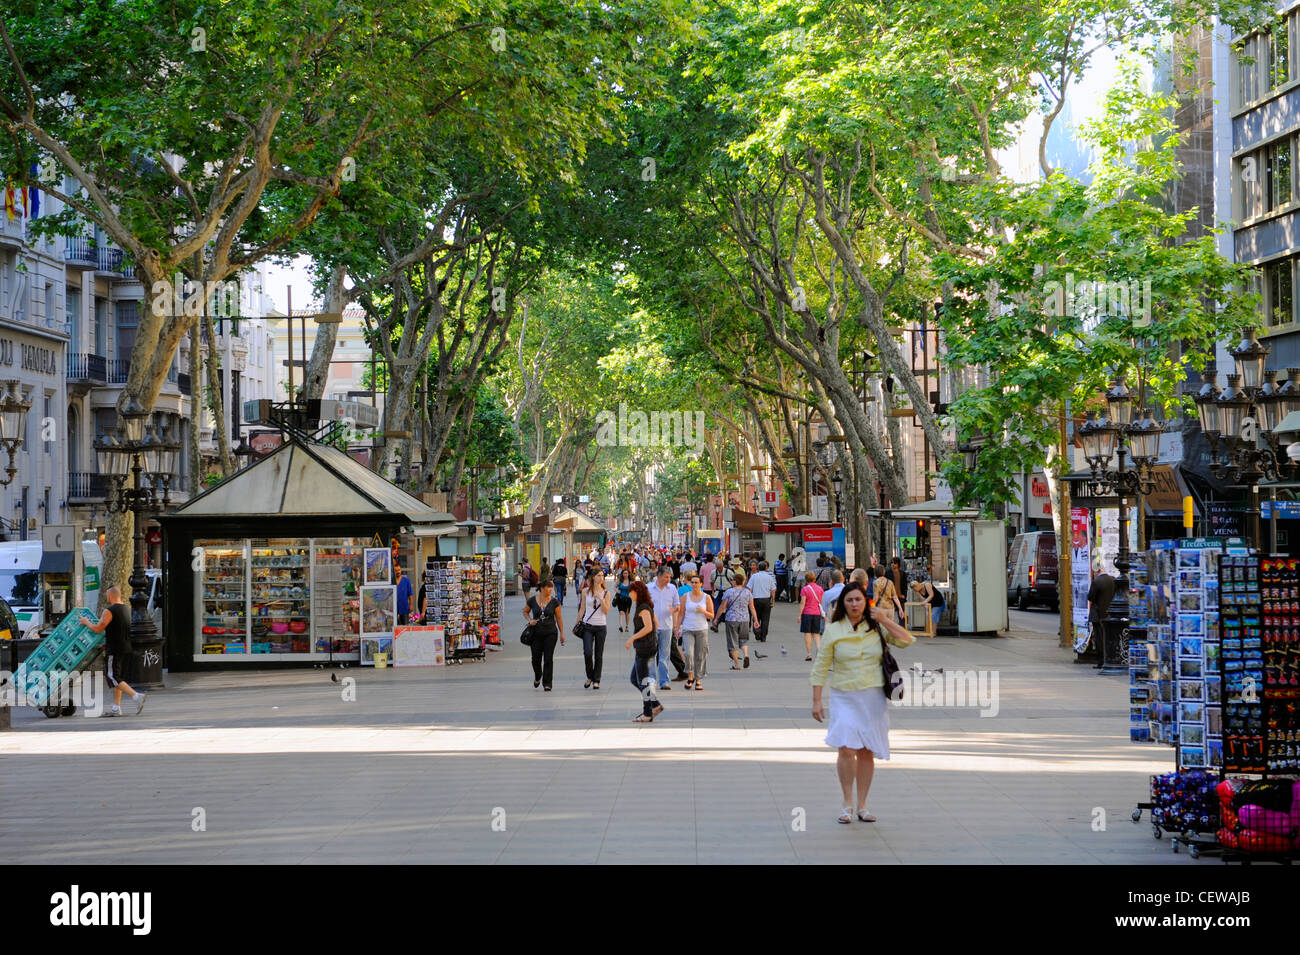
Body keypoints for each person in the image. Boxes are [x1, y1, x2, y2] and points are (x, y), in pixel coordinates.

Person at [810, 581, 915, 824]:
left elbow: (906, 640)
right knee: (846, 747)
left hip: (872, 697)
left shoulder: (876, 627)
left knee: (867, 750)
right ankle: (847, 803)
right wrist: (817, 700)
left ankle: (863, 805)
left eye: (858, 600)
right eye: (850, 600)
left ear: (865, 602)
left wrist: (886, 620)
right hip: (844, 695)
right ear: (843, 604)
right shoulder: (834, 630)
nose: (854, 604)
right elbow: (821, 665)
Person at [82, 587, 145, 716]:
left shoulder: (109, 611)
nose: (106, 598)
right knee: (118, 678)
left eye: (106, 595)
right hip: (126, 648)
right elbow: (118, 629)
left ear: (110, 596)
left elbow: (99, 628)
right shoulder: (127, 609)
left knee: (112, 676)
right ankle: (116, 708)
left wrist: (86, 622)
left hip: (115, 649)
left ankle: (137, 696)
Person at [626, 580, 663, 722]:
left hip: (645, 648)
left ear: (637, 592)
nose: (629, 595)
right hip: (646, 647)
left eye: (631, 592)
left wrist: (632, 638)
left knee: (642, 681)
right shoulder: (645, 606)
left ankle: (647, 713)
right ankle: (655, 705)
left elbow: (649, 627)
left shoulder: (643, 608)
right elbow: (656, 624)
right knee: (635, 679)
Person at [522, 578, 564, 691]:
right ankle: (537, 676)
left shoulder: (555, 602)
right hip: (535, 634)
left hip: (551, 633)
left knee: (548, 658)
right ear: (541, 589)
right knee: (535, 659)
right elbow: (525, 611)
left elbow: (559, 618)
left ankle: (547, 683)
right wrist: (530, 620)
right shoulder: (532, 600)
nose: (549, 591)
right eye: (547, 589)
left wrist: (562, 633)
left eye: (551, 589)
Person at [648, 566, 683, 689]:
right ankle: (651, 681)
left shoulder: (672, 588)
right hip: (651, 627)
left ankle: (664, 682)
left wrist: (674, 610)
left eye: (669, 577)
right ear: (658, 576)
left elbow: (678, 605)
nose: (668, 579)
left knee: (664, 655)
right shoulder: (649, 588)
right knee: (651, 655)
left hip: (667, 627)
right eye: (666, 577)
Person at [578, 570, 611, 689]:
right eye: (598, 575)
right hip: (587, 626)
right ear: (592, 577)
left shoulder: (606, 592)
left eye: (602, 575)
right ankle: (590, 676)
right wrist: (578, 622)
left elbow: (606, 611)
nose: (601, 578)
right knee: (587, 652)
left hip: (601, 626)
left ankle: (596, 680)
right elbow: (582, 608)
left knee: (598, 654)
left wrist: (601, 598)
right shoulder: (585, 592)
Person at [680, 574, 713, 690]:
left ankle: (698, 680)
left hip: (702, 629)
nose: (694, 584)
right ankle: (690, 676)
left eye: (696, 582)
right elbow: (681, 613)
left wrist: (703, 611)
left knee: (700, 655)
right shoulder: (685, 596)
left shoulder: (706, 597)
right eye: (692, 582)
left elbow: (711, 615)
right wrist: (676, 627)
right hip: (688, 629)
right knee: (688, 653)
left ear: (701, 584)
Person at [720, 571, 759, 669]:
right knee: (744, 640)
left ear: (735, 581)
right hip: (745, 619)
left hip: (731, 619)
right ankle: (746, 655)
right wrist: (755, 620)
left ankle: (736, 664)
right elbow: (752, 607)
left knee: (733, 642)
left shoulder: (728, 592)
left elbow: (722, 606)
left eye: (732, 580)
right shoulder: (748, 592)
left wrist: (716, 618)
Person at [1086, 560, 1117, 668]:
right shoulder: (1113, 580)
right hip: (1110, 614)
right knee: (1109, 637)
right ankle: (1110, 658)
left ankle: (1101, 661)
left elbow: (1090, 597)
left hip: (1098, 614)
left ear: (1096, 571)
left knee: (1099, 638)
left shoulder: (1097, 582)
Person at [799, 571, 825, 661]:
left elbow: (802, 603)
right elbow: (821, 602)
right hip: (817, 613)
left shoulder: (805, 589)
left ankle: (809, 654)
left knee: (807, 634)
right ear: (814, 578)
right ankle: (819, 650)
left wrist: (799, 615)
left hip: (807, 613)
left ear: (806, 579)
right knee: (816, 634)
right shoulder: (820, 589)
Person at [749, 559, 776, 641]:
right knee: (765, 618)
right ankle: (763, 636)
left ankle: (757, 632)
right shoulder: (769, 577)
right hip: (766, 599)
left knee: (756, 617)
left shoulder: (754, 576)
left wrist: (749, 600)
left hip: (755, 599)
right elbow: (773, 590)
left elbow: (749, 588)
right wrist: (773, 601)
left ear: (758, 568)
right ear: (766, 568)